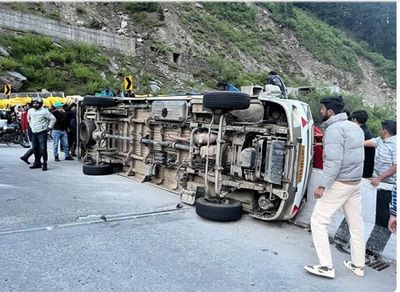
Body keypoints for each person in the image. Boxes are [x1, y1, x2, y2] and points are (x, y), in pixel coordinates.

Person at [304, 96, 365, 279]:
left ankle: (326, 267)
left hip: (340, 183)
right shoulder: (356, 128)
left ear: (330, 111)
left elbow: (333, 161)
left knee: (318, 221)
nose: (321, 112)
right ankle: (358, 265)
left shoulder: (333, 130)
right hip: (355, 183)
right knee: (356, 225)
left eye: (322, 109)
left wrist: (323, 186)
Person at [333, 109, 375, 245]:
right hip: (360, 173)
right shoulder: (365, 132)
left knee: (351, 210)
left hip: (358, 174)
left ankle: (343, 237)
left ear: (355, 120)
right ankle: (343, 237)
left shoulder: (360, 133)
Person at [364, 120, 396, 256]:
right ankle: (368, 248)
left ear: (385, 130)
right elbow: (366, 143)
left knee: (383, 219)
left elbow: (396, 166)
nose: (379, 130)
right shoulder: (380, 140)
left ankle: (373, 250)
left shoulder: (395, 144)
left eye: (381, 128)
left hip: (388, 186)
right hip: (376, 183)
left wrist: (380, 178)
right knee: (374, 215)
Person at [28, 97, 56, 171]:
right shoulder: (30, 111)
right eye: (34, 103)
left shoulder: (45, 111)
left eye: (37, 103)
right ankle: (37, 163)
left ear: (40, 104)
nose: (35, 104)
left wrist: (49, 127)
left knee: (43, 149)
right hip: (34, 132)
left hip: (42, 132)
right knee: (35, 149)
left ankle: (45, 163)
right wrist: (31, 127)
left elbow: (53, 119)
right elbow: (29, 119)